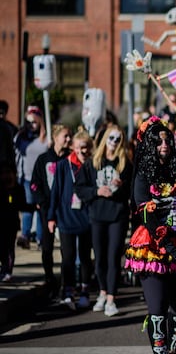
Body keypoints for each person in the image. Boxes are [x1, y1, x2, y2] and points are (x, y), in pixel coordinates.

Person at [125, 116, 176, 354]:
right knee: (157, 311)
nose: (164, 145)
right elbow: (148, 218)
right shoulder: (142, 177)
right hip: (154, 247)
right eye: (158, 141)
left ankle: (172, 350)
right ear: (150, 145)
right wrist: (171, 249)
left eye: (167, 140)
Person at [74, 124, 132, 317]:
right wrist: (96, 191)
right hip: (97, 215)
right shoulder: (93, 163)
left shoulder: (125, 164)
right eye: (111, 138)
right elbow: (80, 188)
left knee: (113, 256)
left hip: (118, 215)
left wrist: (121, 186)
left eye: (118, 139)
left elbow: (132, 191)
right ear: (105, 138)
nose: (114, 143)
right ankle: (102, 291)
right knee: (99, 258)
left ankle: (111, 299)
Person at [47, 130, 94, 310]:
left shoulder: (91, 165)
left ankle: (84, 291)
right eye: (79, 148)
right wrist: (51, 216)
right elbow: (55, 192)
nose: (83, 151)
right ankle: (67, 292)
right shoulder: (62, 165)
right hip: (66, 216)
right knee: (67, 257)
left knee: (84, 257)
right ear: (73, 148)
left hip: (87, 217)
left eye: (86, 148)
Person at [30, 124, 71, 295]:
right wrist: (40, 201)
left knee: (66, 248)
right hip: (47, 210)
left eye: (70, 136)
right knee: (47, 247)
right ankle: (49, 279)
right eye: (65, 136)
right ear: (55, 138)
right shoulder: (43, 159)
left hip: (66, 210)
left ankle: (67, 281)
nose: (68, 139)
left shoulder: (70, 159)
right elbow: (34, 184)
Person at [14, 106, 48, 249]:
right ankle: (25, 235)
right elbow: (15, 150)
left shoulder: (46, 138)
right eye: (28, 122)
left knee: (40, 208)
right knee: (27, 208)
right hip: (26, 178)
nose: (31, 125)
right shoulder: (21, 138)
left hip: (41, 179)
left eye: (34, 122)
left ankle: (40, 238)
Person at [0, 162, 24, 282]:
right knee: (2, 247)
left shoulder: (17, 189)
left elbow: (22, 205)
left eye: (8, 173)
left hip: (11, 223)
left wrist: (34, 206)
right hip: (1, 222)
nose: (6, 176)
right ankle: (3, 268)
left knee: (9, 247)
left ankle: (7, 270)